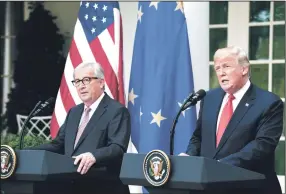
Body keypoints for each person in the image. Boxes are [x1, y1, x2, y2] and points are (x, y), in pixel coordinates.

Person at [180, 46, 284, 194]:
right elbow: (198, 137)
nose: (221, 72)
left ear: (244, 69)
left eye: (226, 66)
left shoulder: (269, 102)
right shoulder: (209, 98)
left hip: (249, 188)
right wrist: (189, 156)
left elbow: (262, 146)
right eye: (217, 68)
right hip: (208, 188)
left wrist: (220, 166)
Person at [30, 61, 131, 194]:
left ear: (101, 83)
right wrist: (26, 152)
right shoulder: (74, 112)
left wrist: (94, 155)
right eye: (77, 81)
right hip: (71, 186)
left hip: (103, 186)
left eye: (86, 80)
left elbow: (117, 147)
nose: (81, 86)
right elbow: (58, 145)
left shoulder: (117, 111)